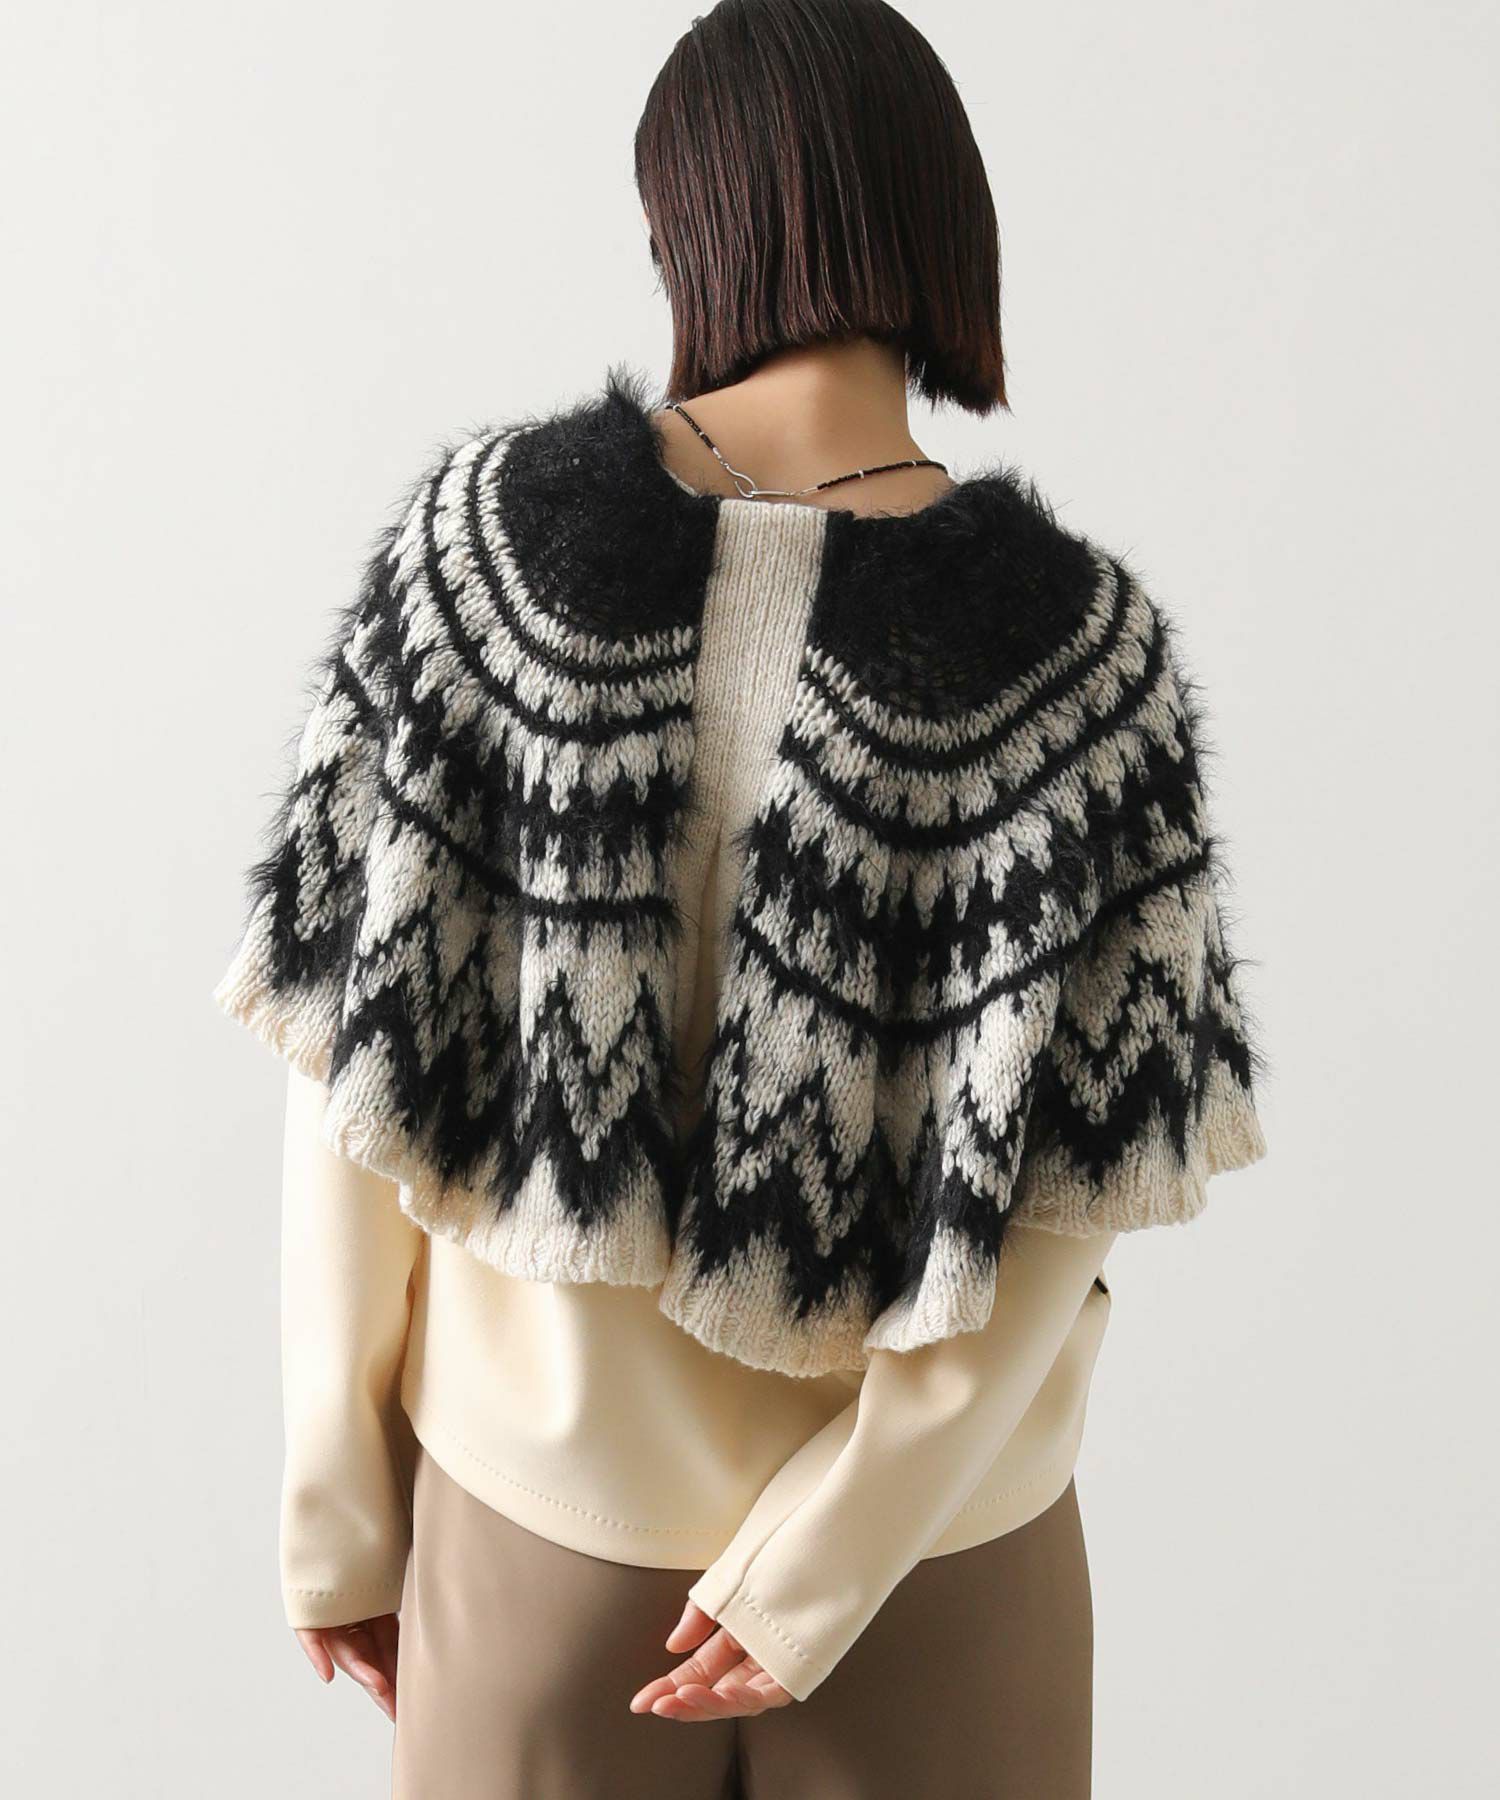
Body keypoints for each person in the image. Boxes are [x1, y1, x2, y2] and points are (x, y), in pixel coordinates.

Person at [212, 3, 1266, 1793]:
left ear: (683, 225)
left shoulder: (482, 565)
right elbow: (1074, 1192)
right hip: (944, 1574)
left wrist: (338, 1505)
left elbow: (351, 1067)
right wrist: (842, 1545)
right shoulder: (1083, 663)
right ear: (945, 226)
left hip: (536, 1543)